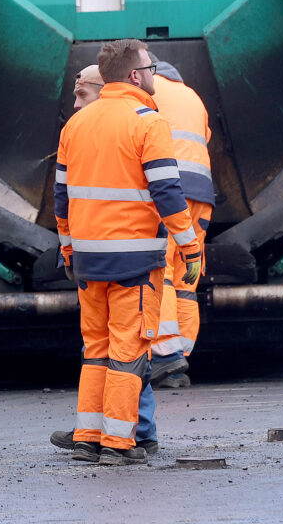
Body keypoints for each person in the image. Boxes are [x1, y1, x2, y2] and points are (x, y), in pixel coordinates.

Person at [52, 38, 201, 466]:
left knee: (96, 350)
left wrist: (68, 250)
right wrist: (190, 247)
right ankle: (118, 444)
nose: (154, 74)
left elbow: (61, 199)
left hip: (88, 261)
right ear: (135, 75)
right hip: (135, 263)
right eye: (150, 68)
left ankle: (87, 438)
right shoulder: (148, 123)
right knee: (128, 353)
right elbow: (168, 193)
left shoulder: (75, 125)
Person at [147, 58, 214, 389]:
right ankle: (180, 357)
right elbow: (205, 138)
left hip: (168, 190)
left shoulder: (146, 91)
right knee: (187, 274)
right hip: (201, 193)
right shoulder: (193, 97)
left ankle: (165, 356)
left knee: (161, 271)